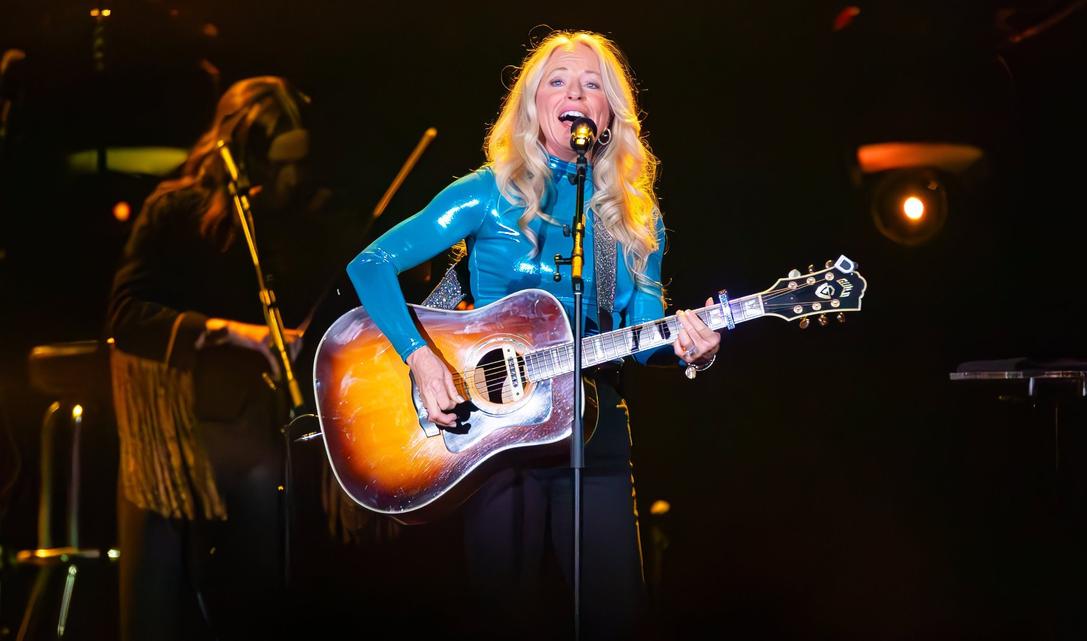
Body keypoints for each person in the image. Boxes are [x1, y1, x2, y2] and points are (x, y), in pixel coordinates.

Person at [346, 31, 721, 639]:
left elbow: (644, 332)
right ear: (533, 106)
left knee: (614, 614)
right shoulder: (487, 192)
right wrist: (421, 357)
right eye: (558, 81)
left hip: (592, 430)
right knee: (502, 612)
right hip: (496, 436)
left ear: (608, 114)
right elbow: (370, 265)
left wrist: (688, 345)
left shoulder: (633, 215)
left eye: (592, 83)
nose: (575, 92)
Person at [107, 76, 359, 640]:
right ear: (245, 152)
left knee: (259, 591)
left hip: (258, 433)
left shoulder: (292, 217)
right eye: (278, 162)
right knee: (161, 601)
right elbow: (126, 314)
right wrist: (231, 332)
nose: (291, 177)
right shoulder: (174, 209)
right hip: (180, 434)